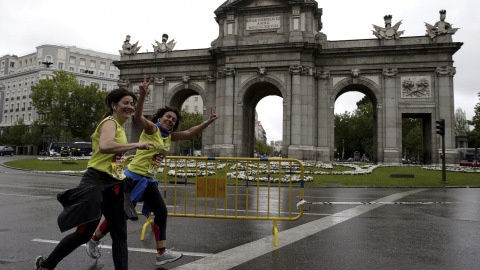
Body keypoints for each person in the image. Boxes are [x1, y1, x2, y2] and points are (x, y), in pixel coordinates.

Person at [85, 75, 219, 266]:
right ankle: (94, 239)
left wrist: (208, 122)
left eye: (173, 119)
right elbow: (138, 117)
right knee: (119, 216)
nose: (170, 121)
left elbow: (189, 133)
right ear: (160, 118)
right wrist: (141, 94)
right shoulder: (152, 130)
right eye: (168, 117)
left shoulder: (168, 137)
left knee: (161, 211)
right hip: (133, 178)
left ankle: (161, 253)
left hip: (148, 180)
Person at [35, 89, 156, 270]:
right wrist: (136, 144)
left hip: (115, 185)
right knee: (83, 235)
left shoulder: (118, 126)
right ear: (113, 105)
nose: (129, 107)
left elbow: (105, 144)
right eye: (125, 103)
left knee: (120, 236)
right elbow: (105, 146)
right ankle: (46, 266)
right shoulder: (109, 122)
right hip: (95, 184)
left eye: (131, 103)